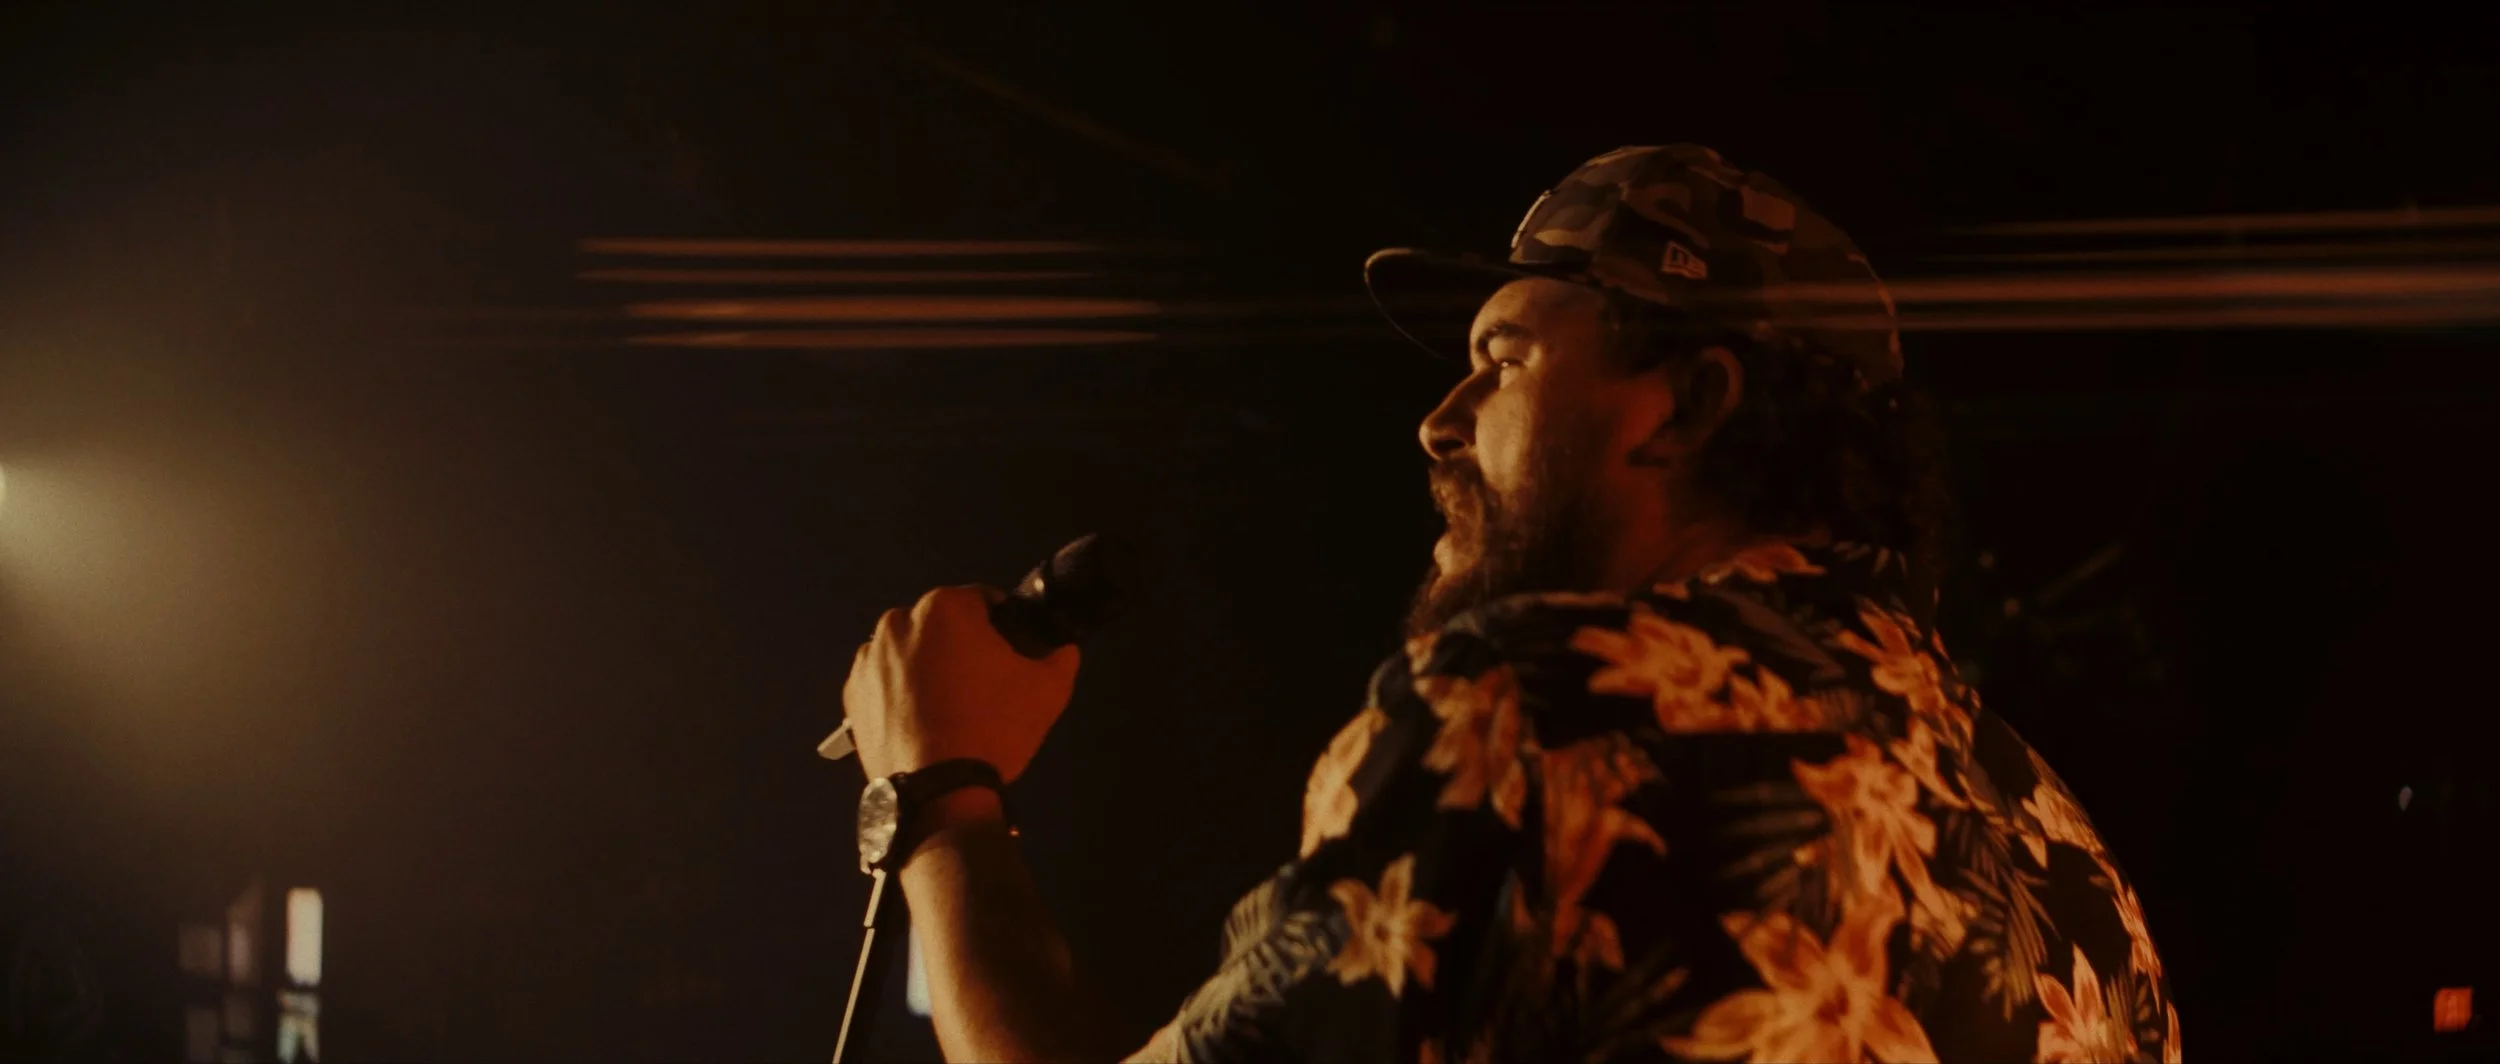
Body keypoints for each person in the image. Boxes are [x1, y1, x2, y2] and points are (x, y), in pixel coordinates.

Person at [839, 145, 2180, 1063]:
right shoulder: (2069, 862)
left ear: (1690, 404)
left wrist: (946, 796)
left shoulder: (1547, 703)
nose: (1439, 423)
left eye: (1503, 361)